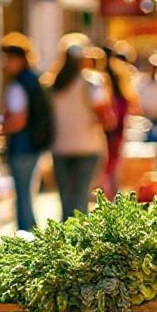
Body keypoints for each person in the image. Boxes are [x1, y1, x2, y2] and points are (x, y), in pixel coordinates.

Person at [45, 37, 113, 220]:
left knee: (65, 201)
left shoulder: (52, 84)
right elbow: (107, 119)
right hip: (88, 146)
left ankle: (63, 241)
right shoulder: (92, 83)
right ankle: (77, 244)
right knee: (81, 200)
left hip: (60, 146)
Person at [0, 32, 52, 231]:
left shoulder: (19, 84)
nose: (4, 64)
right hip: (35, 144)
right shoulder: (36, 79)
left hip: (23, 145)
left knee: (22, 195)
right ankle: (30, 233)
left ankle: (26, 235)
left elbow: (19, 120)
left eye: (7, 59)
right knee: (28, 193)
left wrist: (0, 130)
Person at [101, 43, 139, 199]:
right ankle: (111, 193)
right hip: (116, 120)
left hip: (107, 120)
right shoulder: (119, 71)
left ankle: (107, 194)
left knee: (106, 163)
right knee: (113, 161)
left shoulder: (100, 74)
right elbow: (130, 97)